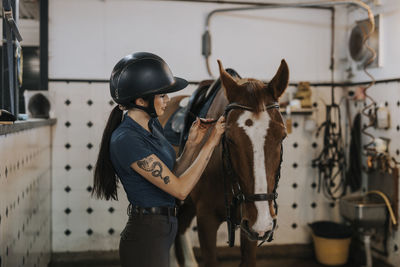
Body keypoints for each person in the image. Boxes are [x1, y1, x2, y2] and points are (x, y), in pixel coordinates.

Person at [92, 52, 225, 267]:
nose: (168, 100)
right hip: (147, 235)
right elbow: (181, 189)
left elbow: (172, 173)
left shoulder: (151, 125)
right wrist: (210, 143)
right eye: (162, 95)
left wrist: (192, 143)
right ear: (140, 100)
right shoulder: (127, 139)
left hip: (163, 228)